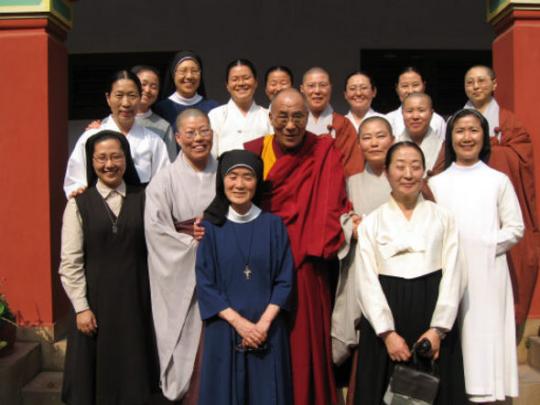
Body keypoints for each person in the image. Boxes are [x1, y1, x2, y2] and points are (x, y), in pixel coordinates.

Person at [245, 88, 350, 405]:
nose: (290, 125)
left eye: (298, 117)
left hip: (306, 263)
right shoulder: (256, 151)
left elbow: (332, 203)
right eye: (283, 117)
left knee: (305, 341)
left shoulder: (323, 150)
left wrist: (312, 244)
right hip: (263, 261)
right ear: (270, 117)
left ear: (308, 118)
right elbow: (237, 200)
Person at [354, 141, 466, 404]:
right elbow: (366, 281)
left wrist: (438, 330)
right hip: (387, 317)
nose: (408, 174)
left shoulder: (444, 218)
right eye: (400, 166)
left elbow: (454, 274)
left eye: (415, 167)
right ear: (386, 172)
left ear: (424, 172)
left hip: (432, 313)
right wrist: (387, 333)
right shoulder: (371, 223)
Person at [429, 109, 524, 403]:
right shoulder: (436, 183)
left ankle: (487, 393)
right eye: (460, 131)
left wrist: (483, 244)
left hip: (488, 273)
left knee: (485, 333)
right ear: (450, 138)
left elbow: (515, 228)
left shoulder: (498, 180)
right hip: (448, 272)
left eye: (473, 130)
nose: (466, 137)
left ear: (484, 136)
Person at [59, 130, 158, 405]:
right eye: (101, 158)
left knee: (134, 378)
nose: (109, 164)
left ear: (127, 159)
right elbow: (70, 261)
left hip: (137, 305)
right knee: (93, 384)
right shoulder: (79, 204)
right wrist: (81, 307)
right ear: (91, 162)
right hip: (94, 307)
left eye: (116, 156)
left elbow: (164, 244)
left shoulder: (146, 198)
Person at [196, 149, 294, 405]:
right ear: (222, 181)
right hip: (225, 329)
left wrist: (262, 325)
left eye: (247, 177)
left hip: (267, 330)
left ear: (257, 182)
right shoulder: (209, 228)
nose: (239, 184)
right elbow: (205, 284)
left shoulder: (274, 225)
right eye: (232, 176)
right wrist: (240, 324)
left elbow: (285, 280)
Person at [144, 109, 217, 403]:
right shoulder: (163, 181)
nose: (198, 138)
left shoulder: (227, 173)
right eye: (190, 133)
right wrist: (194, 244)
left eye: (204, 131)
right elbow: (156, 231)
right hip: (183, 272)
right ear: (177, 138)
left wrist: (218, 235)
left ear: (212, 133)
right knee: (186, 337)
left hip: (222, 271)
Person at [463, 65, 540, 325]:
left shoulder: (509, 121)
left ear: (494, 84)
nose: (475, 86)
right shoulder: (457, 122)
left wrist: (492, 149)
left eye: (481, 81)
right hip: (468, 205)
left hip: (499, 203)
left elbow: (522, 158)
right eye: (470, 82)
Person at [331, 116, 395, 367]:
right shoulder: (350, 182)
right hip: (361, 265)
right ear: (358, 145)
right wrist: (351, 226)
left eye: (381, 136)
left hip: (396, 269)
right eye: (367, 138)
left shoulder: (406, 179)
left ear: (393, 140)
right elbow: (339, 217)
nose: (374, 143)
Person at [64, 70, 169, 198]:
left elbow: (163, 184)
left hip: (142, 207)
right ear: (108, 98)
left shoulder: (154, 141)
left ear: (140, 98)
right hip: (99, 207)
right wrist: (79, 192)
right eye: (119, 95)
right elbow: (75, 180)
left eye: (132, 95)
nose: (126, 103)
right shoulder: (90, 137)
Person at [300, 67, 364, 176]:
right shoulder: (294, 123)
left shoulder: (343, 124)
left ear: (330, 88)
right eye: (311, 86)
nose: (317, 91)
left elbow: (352, 166)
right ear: (302, 89)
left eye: (323, 85)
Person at [209, 59, 273, 157]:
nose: (241, 83)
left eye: (246, 78)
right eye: (235, 79)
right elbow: (211, 155)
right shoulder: (216, 115)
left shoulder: (267, 116)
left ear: (256, 82)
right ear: (227, 85)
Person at [154, 50, 218, 131]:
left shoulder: (213, 107)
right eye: (183, 71)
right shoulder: (161, 109)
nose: (189, 76)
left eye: (194, 71)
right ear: (173, 74)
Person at [385, 66, 446, 139]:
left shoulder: (437, 120)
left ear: (424, 86)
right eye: (404, 86)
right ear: (397, 88)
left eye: (415, 85)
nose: (410, 91)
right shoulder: (388, 120)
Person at [396, 92, 444, 173]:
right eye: (410, 111)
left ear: (431, 114)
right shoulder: (392, 146)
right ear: (402, 113)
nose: (415, 116)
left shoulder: (444, 149)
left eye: (421, 110)